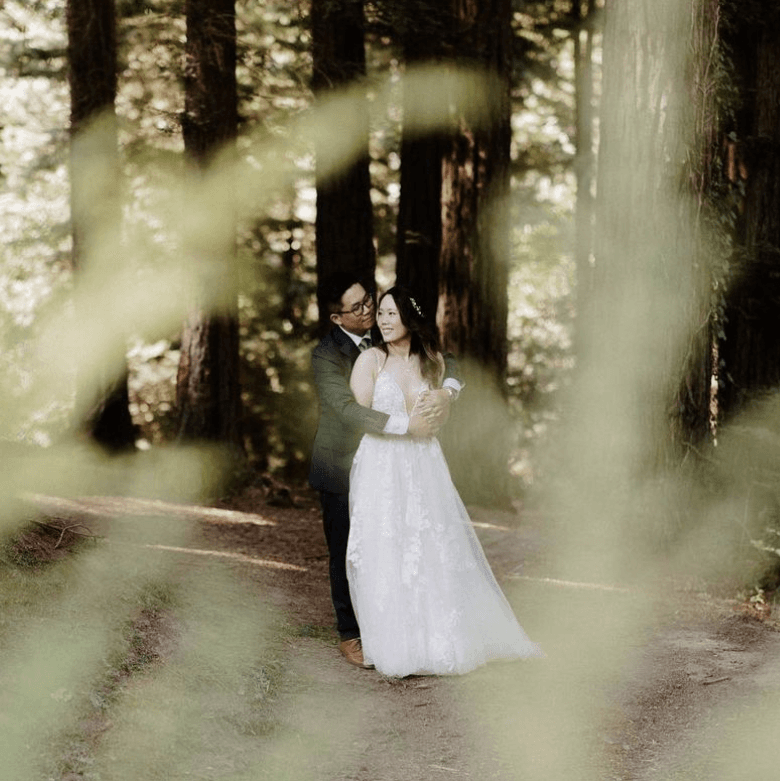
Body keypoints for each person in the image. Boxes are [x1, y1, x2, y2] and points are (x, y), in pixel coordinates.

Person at [347, 286, 543, 676]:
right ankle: (395, 641)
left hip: (423, 464)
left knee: (430, 542)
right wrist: (407, 425)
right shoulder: (370, 359)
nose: (384, 321)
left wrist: (448, 393)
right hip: (381, 463)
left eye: (391, 314)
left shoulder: (430, 360)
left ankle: (435, 636)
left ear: (410, 318)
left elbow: (455, 366)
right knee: (385, 544)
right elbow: (356, 414)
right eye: (381, 314)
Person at [309, 272, 462, 668]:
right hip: (343, 461)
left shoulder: (396, 342)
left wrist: (448, 391)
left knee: (403, 539)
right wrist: (405, 426)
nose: (368, 312)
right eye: (358, 308)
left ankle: (405, 625)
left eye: (370, 302)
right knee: (348, 546)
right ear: (337, 318)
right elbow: (346, 409)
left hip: (402, 461)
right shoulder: (327, 354)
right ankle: (351, 634)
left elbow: (444, 361)